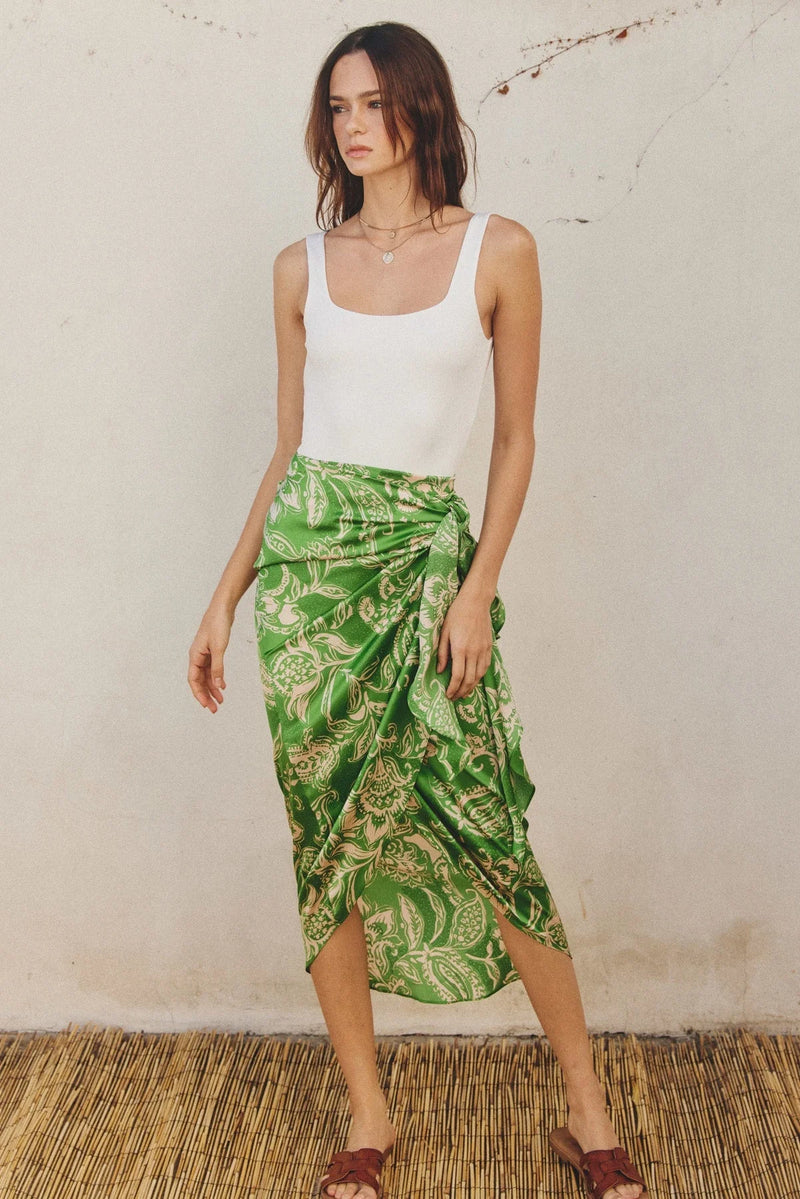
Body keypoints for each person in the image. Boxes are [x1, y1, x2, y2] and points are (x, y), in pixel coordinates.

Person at [188, 20, 649, 1199]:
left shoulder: (499, 249)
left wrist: (477, 585)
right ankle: (367, 1115)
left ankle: (585, 1111)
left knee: (490, 830)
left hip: (428, 574)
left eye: (370, 102)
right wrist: (225, 595)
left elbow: (513, 438)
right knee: (328, 842)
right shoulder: (300, 265)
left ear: (420, 111)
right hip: (310, 589)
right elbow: (289, 450)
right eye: (333, 104)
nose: (348, 123)